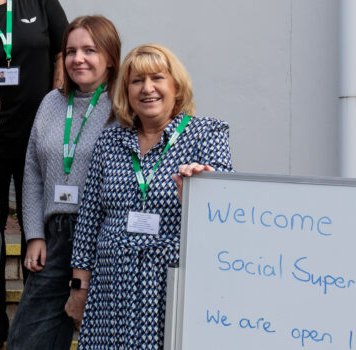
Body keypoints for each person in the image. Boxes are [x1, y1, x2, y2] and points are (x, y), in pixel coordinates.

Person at [65, 43, 233, 349]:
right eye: (137, 81)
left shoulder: (208, 134)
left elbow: (223, 215)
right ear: (126, 91)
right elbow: (89, 218)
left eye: (157, 78)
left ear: (176, 86)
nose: (147, 88)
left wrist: (198, 195)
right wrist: (79, 288)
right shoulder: (110, 140)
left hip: (171, 288)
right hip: (110, 292)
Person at [0, 0, 68, 340]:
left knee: (39, 225)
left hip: (39, 133)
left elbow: (63, 50)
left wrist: (57, 102)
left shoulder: (39, 2)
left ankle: (38, 319)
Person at [8, 15, 120, 350]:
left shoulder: (123, 107)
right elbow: (32, 172)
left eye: (90, 50)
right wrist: (34, 235)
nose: (78, 59)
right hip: (55, 236)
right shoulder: (51, 102)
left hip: (103, 235)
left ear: (111, 57)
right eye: (70, 51)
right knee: (28, 339)